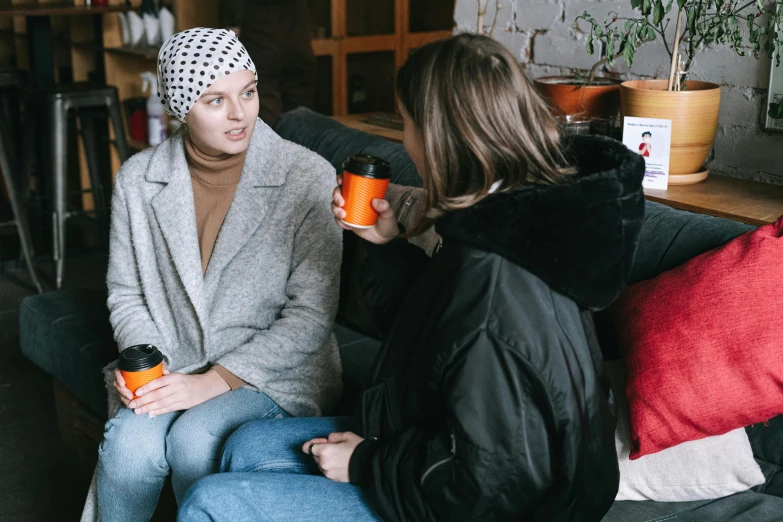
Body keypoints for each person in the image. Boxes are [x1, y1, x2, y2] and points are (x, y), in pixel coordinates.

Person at [179, 33, 646, 521]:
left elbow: (491, 483)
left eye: (405, 124)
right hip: (442, 438)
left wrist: (366, 462)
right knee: (249, 444)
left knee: (209, 504)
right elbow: (434, 342)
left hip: (500, 505)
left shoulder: (497, 282)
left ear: (438, 138)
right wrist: (384, 245)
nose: (404, 140)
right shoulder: (508, 217)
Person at [82, 28, 342, 522]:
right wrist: (151, 372)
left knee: (193, 438)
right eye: (215, 100)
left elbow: (310, 318)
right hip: (173, 361)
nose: (241, 113)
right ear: (181, 108)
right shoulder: (138, 179)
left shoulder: (307, 176)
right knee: (129, 449)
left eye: (248, 91)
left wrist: (215, 381)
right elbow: (126, 292)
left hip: (274, 374)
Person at [220, 0, 316, 127]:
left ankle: (270, 142)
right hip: (297, 29)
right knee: (300, 104)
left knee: (265, 103)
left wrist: (231, 25)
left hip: (259, 26)